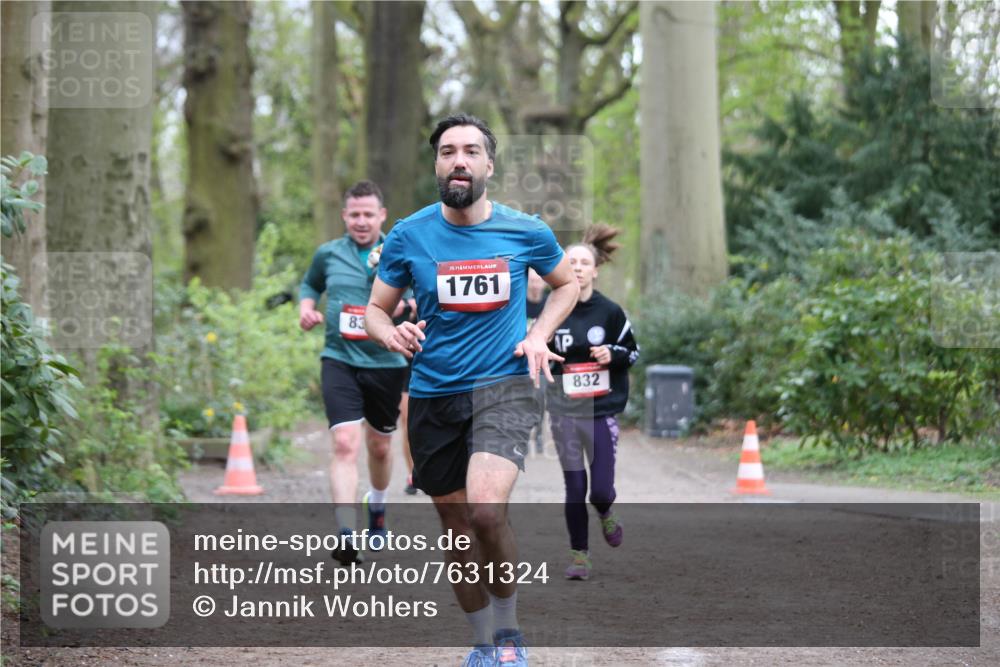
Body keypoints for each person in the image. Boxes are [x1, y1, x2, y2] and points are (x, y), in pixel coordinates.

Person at [365, 113, 579, 667]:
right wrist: (391, 333)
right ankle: (482, 642)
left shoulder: (525, 231)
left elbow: (566, 286)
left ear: (489, 163)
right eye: (447, 152)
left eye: (470, 151)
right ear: (436, 164)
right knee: (456, 527)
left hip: (503, 386)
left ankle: (510, 637)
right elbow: (374, 310)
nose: (458, 160)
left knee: (486, 512)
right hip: (434, 393)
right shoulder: (410, 236)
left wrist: (538, 335)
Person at [299, 180, 410, 566]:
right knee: (345, 444)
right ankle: (346, 531)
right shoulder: (327, 254)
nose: (361, 221)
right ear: (345, 216)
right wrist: (306, 309)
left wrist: (402, 309)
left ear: (382, 216)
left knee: (379, 447)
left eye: (369, 214)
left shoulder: (399, 253)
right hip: (339, 359)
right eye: (354, 214)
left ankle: (376, 508)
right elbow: (309, 285)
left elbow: (416, 297)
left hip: (387, 362)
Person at [546, 224, 639, 581]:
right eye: (572, 262)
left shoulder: (612, 312)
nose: (579, 267)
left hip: (601, 410)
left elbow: (633, 353)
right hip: (565, 411)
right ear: (565, 268)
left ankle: (606, 511)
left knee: (599, 490)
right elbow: (541, 350)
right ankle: (579, 555)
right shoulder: (555, 311)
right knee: (574, 486)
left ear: (596, 270)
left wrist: (611, 354)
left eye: (585, 262)